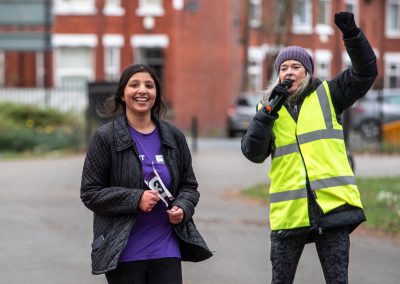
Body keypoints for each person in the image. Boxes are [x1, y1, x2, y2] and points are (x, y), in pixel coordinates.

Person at [241, 12, 377, 284]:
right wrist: (267, 112)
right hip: (289, 214)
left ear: (307, 72)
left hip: (332, 209)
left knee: (337, 280)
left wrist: (352, 36)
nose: (289, 72)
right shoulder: (267, 110)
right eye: (283, 68)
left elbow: (365, 72)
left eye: (295, 66)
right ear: (277, 74)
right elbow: (252, 153)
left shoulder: (329, 94)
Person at [80, 64, 213, 284]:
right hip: (123, 251)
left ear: (156, 94)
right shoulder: (106, 138)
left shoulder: (173, 136)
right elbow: (90, 193)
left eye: (149, 86)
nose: (142, 90)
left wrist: (183, 207)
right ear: (123, 95)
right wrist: (136, 198)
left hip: (166, 247)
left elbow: (189, 186)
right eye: (134, 85)